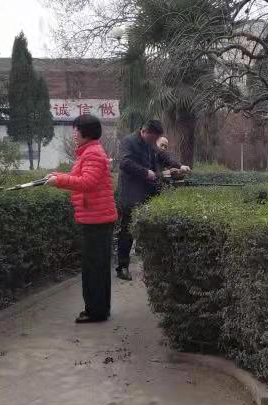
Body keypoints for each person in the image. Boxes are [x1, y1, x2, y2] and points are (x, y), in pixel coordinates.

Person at [46, 115, 117, 323]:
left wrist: (59, 180)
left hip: (97, 220)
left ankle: (96, 312)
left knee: (94, 268)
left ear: (87, 132)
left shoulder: (92, 153)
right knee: (97, 267)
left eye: (76, 129)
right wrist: (57, 176)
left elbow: (87, 182)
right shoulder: (89, 151)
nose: (74, 134)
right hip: (95, 218)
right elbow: (80, 177)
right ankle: (99, 309)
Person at [116, 120, 190, 280]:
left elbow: (162, 155)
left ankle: (150, 267)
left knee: (148, 228)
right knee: (127, 230)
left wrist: (179, 165)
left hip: (147, 191)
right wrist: (146, 172)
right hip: (131, 192)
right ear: (145, 132)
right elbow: (125, 163)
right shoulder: (128, 142)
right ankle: (122, 267)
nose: (154, 142)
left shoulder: (149, 143)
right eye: (153, 138)